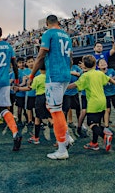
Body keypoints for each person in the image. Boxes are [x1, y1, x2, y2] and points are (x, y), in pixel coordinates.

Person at [29, 15, 74, 160]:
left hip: (54, 75)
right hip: (65, 74)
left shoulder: (48, 33)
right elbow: (71, 58)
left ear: (47, 24)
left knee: (55, 111)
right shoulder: (66, 36)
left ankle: (62, 149)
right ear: (58, 23)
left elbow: (41, 55)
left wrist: (31, 76)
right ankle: (66, 137)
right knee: (54, 108)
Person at [67, 55, 115, 152]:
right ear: (95, 64)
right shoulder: (99, 73)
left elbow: (75, 85)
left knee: (90, 124)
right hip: (102, 101)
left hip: (93, 102)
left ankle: (105, 136)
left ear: (84, 66)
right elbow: (108, 79)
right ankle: (94, 143)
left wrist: (63, 87)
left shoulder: (85, 76)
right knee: (97, 123)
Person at [14, 62, 50, 145]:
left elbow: (30, 88)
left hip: (40, 98)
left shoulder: (38, 78)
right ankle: (63, 136)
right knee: (50, 117)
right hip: (49, 97)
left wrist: (19, 88)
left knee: (38, 117)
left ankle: (36, 138)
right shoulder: (50, 76)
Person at [98, 58, 115, 134]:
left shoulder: (111, 71)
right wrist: (109, 79)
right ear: (98, 66)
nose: (103, 63)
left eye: (104, 62)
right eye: (101, 63)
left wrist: (113, 80)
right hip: (104, 94)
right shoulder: (98, 73)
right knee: (107, 110)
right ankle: (106, 126)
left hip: (113, 92)